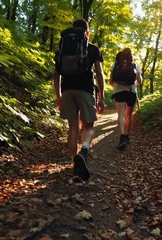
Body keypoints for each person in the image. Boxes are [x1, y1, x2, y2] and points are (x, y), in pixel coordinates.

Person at [53, 19, 105, 181]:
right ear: (86, 32)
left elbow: (56, 74)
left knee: (72, 128)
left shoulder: (63, 49)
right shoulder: (93, 49)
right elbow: (99, 73)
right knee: (88, 126)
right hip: (85, 90)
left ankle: (74, 164)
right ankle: (83, 151)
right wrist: (101, 95)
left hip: (67, 90)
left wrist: (59, 95)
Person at [109, 48, 142, 150]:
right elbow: (139, 81)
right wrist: (134, 84)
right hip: (131, 92)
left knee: (121, 114)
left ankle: (122, 136)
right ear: (131, 55)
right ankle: (127, 136)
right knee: (128, 115)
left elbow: (110, 81)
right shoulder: (135, 65)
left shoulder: (115, 64)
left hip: (119, 92)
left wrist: (117, 87)